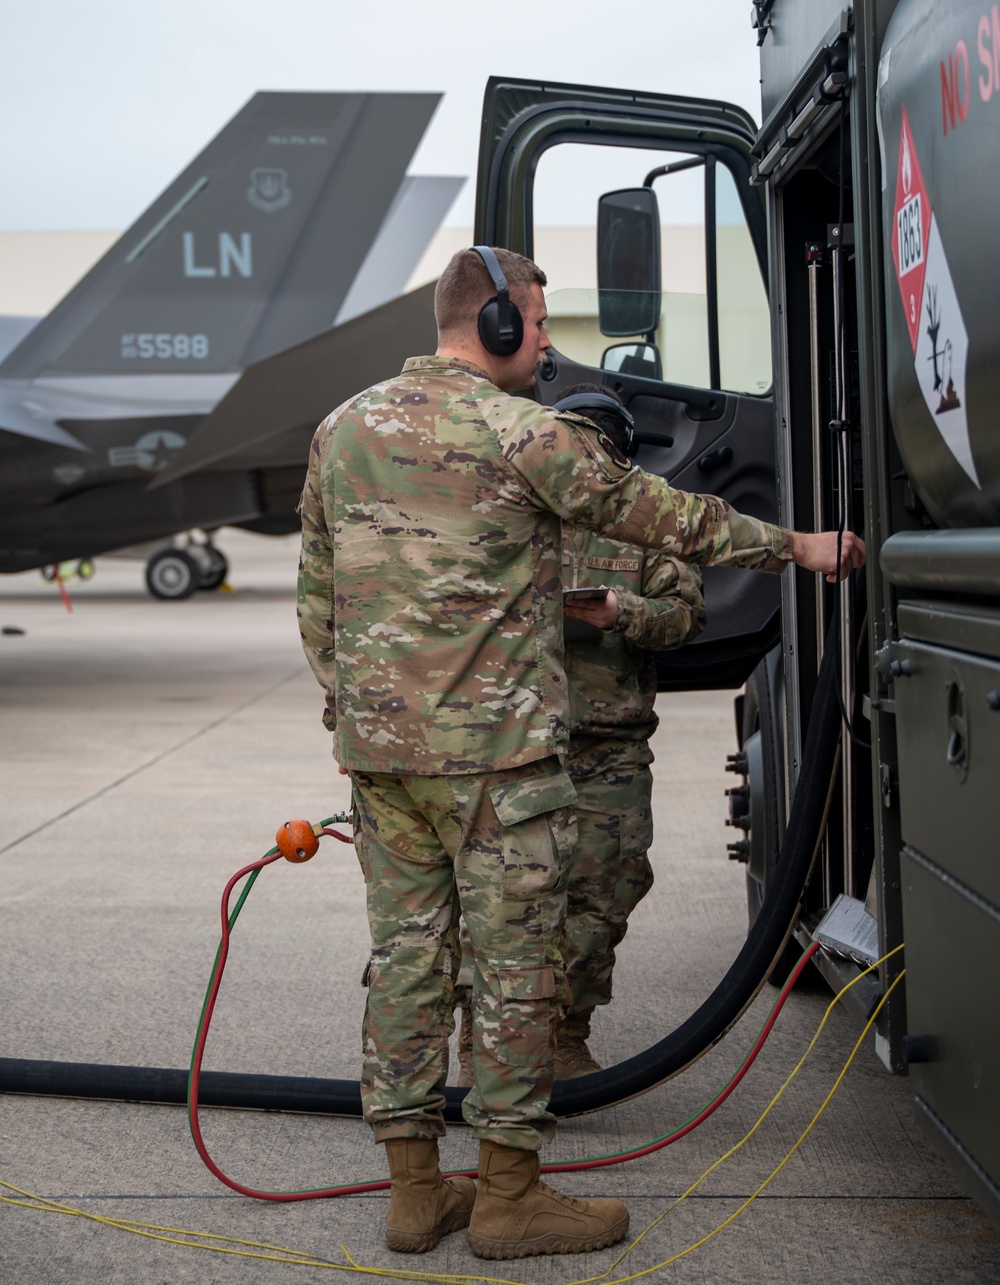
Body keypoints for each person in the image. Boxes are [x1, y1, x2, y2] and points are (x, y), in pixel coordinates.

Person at [297, 245, 864, 1261]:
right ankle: (510, 1198)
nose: (549, 343)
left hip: (383, 762)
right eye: (542, 323)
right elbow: (669, 518)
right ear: (500, 321)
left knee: (409, 966)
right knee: (518, 971)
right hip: (497, 766)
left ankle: (416, 1193)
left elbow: (317, 599)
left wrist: (361, 716)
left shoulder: (342, 427)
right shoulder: (523, 436)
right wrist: (800, 547)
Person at [455, 383, 706, 1085]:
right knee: (502, 899)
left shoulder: (643, 521)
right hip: (515, 746)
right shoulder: (507, 515)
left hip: (610, 747)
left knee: (604, 891)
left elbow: (685, 616)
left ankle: (566, 1032)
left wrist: (623, 611)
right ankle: (482, 1037)